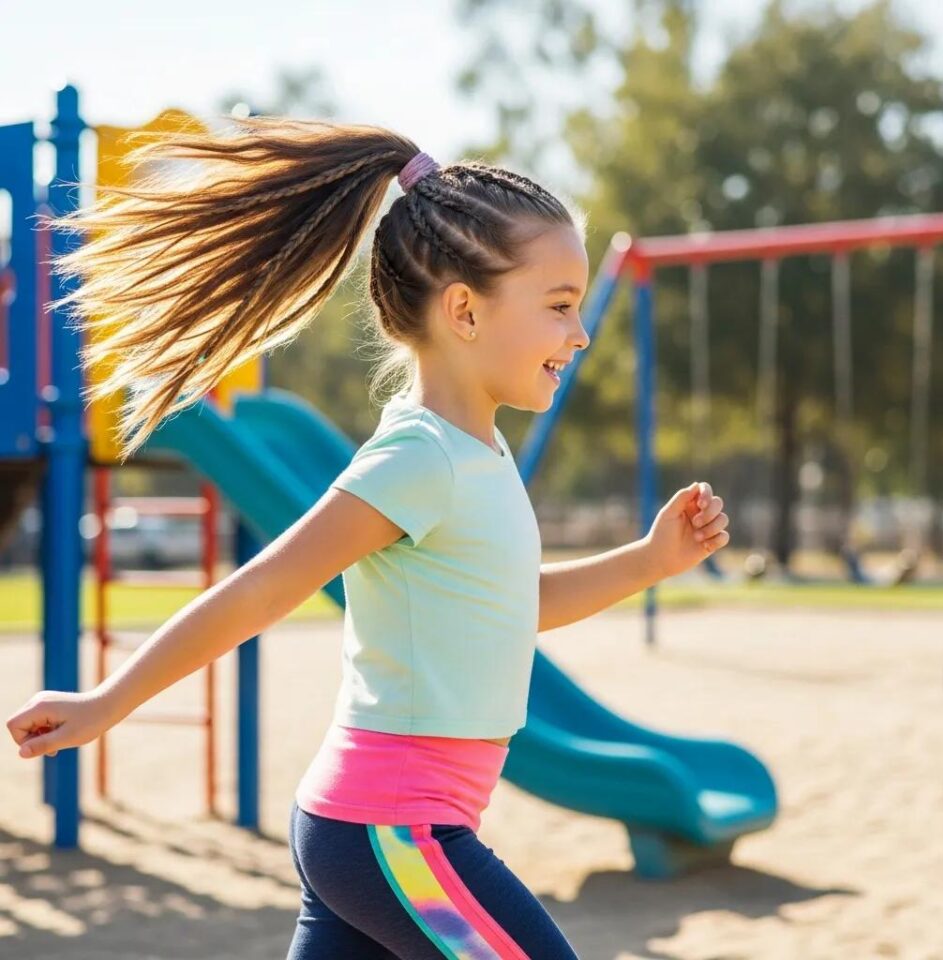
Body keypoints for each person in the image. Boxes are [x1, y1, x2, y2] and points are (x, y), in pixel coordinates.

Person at [5, 118, 730, 959]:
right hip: (396, 832)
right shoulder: (418, 456)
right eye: (560, 307)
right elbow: (264, 587)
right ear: (463, 310)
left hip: (369, 830)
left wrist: (649, 561)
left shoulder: (475, 452)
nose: (580, 333)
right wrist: (106, 702)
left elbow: (510, 607)